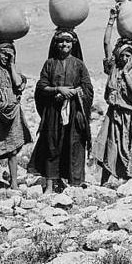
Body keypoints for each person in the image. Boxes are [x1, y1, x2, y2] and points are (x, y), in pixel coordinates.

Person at [27, 29, 93, 193]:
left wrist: (75, 92)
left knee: (75, 145)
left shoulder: (79, 64)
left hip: (74, 111)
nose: (64, 45)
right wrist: (57, 90)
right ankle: (49, 185)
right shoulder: (49, 64)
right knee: (52, 144)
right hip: (54, 112)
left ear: (73, 44)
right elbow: (41, 86)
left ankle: (74, 185)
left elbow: (87, 88)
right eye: (61, 42)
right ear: (55, 44)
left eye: (68, 42)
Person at [93, 9, 132, 184]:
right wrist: (111, 21)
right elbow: (106, 44)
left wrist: (126, 72)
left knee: (129, 148)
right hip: (114, 113)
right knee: (109, 145)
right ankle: (103, 182)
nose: (125, 58)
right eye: (123, 55)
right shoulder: (114, 70)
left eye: (129, 55)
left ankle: (129, 183)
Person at [0, 42, 32, 190]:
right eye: (3, 53)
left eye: (9, 55)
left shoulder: (15, 71)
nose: (6, 57)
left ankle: (14, 183)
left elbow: (17, 83)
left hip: (12, 112)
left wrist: (12, 65)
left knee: (13, 148)